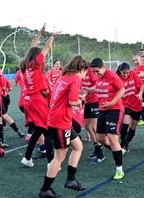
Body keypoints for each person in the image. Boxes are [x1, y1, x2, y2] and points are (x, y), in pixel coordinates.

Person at [39, 55, 89, 197]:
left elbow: (63, 97)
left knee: (78, 147)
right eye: (85, 72)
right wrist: (80, 101)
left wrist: (77, 99)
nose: (85, 76)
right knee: (59, 157)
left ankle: (71, 180)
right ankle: (45, 189)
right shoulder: (75, 79)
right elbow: (73, 102)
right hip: (60, 122)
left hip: (60, 120)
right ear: (81, 69)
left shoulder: (64, 76)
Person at [20, 23, 58, 167]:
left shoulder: (25, 65)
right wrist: (52, 35)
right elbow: (47, 48)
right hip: (36, 99)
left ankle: (27, 158)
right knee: (48, 131)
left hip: (27, 100)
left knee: (37, 130)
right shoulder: (36, 65)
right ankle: (51, 163)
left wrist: (40, 34)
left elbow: (32, 47)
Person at [90, 58, 125, 180]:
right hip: (103, 110)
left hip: (115, 109)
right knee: (100, 138)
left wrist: (112, 102)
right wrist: (85, 92)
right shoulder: (99, 78)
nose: (96, 74)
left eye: (97, 71)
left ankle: (119, 170)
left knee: (112, 138)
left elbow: (122, 89)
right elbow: (97, 89)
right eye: (93, 72)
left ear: (103, 67)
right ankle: (118, 150)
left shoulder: (112, 75)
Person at [116, 62, 144, 153]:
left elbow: (142, 85)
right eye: (124, 73)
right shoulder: (117, 78)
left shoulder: (133, 74)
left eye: (127, 73)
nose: (126, 75)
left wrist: (140, 93)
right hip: (125, 104)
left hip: (136, 104)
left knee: (133, 126)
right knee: (125, 123)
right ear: (120, 71)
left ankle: (126, 142)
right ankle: (122, 142)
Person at [81, 66, 105, 164]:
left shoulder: (90, 72)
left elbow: (97, 86)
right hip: (87, 101)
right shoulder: (80, 74)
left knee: (94, 127)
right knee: (87, 126)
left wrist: (87, 89)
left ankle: (100, 153)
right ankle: (96, 147)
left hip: (95, 101)